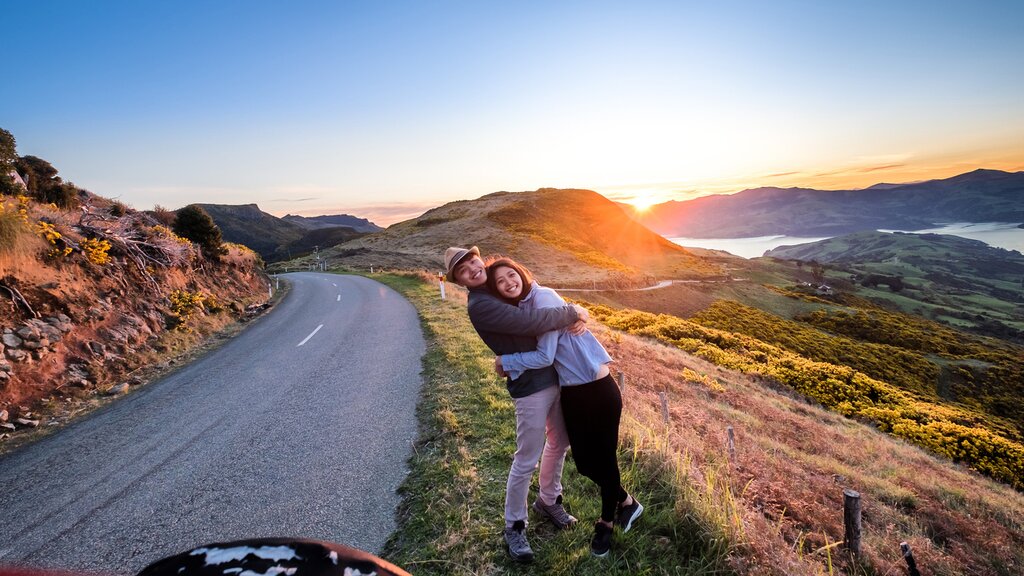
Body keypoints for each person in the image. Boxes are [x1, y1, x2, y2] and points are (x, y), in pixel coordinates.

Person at [486, 257, 643, 558]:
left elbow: (545, 356)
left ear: (521, 272)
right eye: (500, 282)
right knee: (584, 463)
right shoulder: (523, 309)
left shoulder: (542, 298)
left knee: (605, 459)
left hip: (597, 387)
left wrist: (506, 362)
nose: (508, 283)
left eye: (510, 275)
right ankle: (627, 502)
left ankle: (606, 524)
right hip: (571, 391)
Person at [443, 246, 590, 563]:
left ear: (480, 260)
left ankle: (549, 500)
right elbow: (530, 322)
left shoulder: (493, 290)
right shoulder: (481, 305)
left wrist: (577, 311)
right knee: (526, 458)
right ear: (459, 281)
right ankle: (514, 526)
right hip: (530, 387)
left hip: (553, 377)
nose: (472, 269)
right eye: (463, 270)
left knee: (559, 442)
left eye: (473, 262)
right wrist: (573, 311)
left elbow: (534, 301)